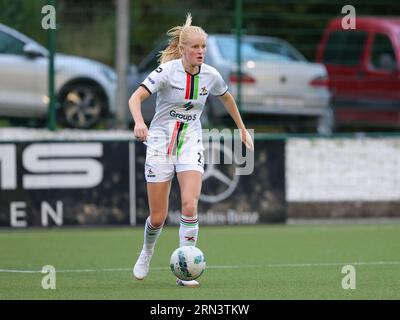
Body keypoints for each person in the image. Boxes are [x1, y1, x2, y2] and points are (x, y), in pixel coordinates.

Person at [128, 13, 254, 287]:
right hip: (160, 143)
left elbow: (227, 98)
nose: (201, 52)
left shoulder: (211, 75)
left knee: (189, 204)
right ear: (183, 49)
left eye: (203, 47)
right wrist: (139, 122)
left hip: (191, 142)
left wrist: (242, 128)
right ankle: (146, 253)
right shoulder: (166, 72)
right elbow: (135, 97)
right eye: (195, 47)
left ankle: (184, 272)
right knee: (158, 216)